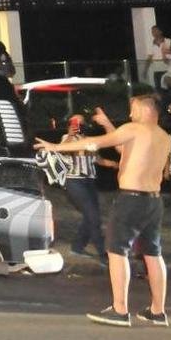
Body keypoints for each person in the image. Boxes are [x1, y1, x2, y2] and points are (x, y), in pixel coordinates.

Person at [35, 94, 171, 328]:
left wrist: (55, 146)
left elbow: (95, 143)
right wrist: (108, 124)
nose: (130, 114)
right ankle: (158, 312)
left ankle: (120, 310)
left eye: (133, 109)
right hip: (154, 201)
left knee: (117, 251)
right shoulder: (163, 136)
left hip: (132, 199)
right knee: (153, 253)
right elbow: (122, 148)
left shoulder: (135, 129)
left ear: (144, 109)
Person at [60, 113, 115, 264]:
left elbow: (98, 159)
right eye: (77, 122)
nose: (80, 124)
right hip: (75, 181)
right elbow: (63, 150)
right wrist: (71, 136)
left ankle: (77, 247)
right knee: (93, 217)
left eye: (82, 122)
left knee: (90, 216)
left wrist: (115, 163)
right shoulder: (67, 138)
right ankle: (102, 252)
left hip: (89, 181)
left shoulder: (89, 140)